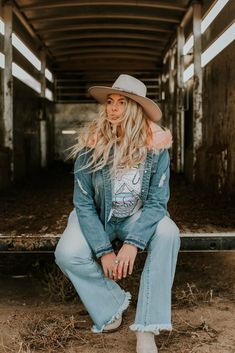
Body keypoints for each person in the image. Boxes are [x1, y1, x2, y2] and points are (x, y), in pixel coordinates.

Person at [55, 74, 180, 353]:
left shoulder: (156, 147)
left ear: (136, 108)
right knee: (67, 252)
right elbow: (83, 203)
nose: (112, 107)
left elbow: (158, 202)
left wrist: (133, 244)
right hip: (98, 215)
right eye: (110, 101)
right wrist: (104, 251)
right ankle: (111, 304)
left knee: (168, 232)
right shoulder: (91, 145)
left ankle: (147, 327)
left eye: (122, 102)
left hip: (136, 216)